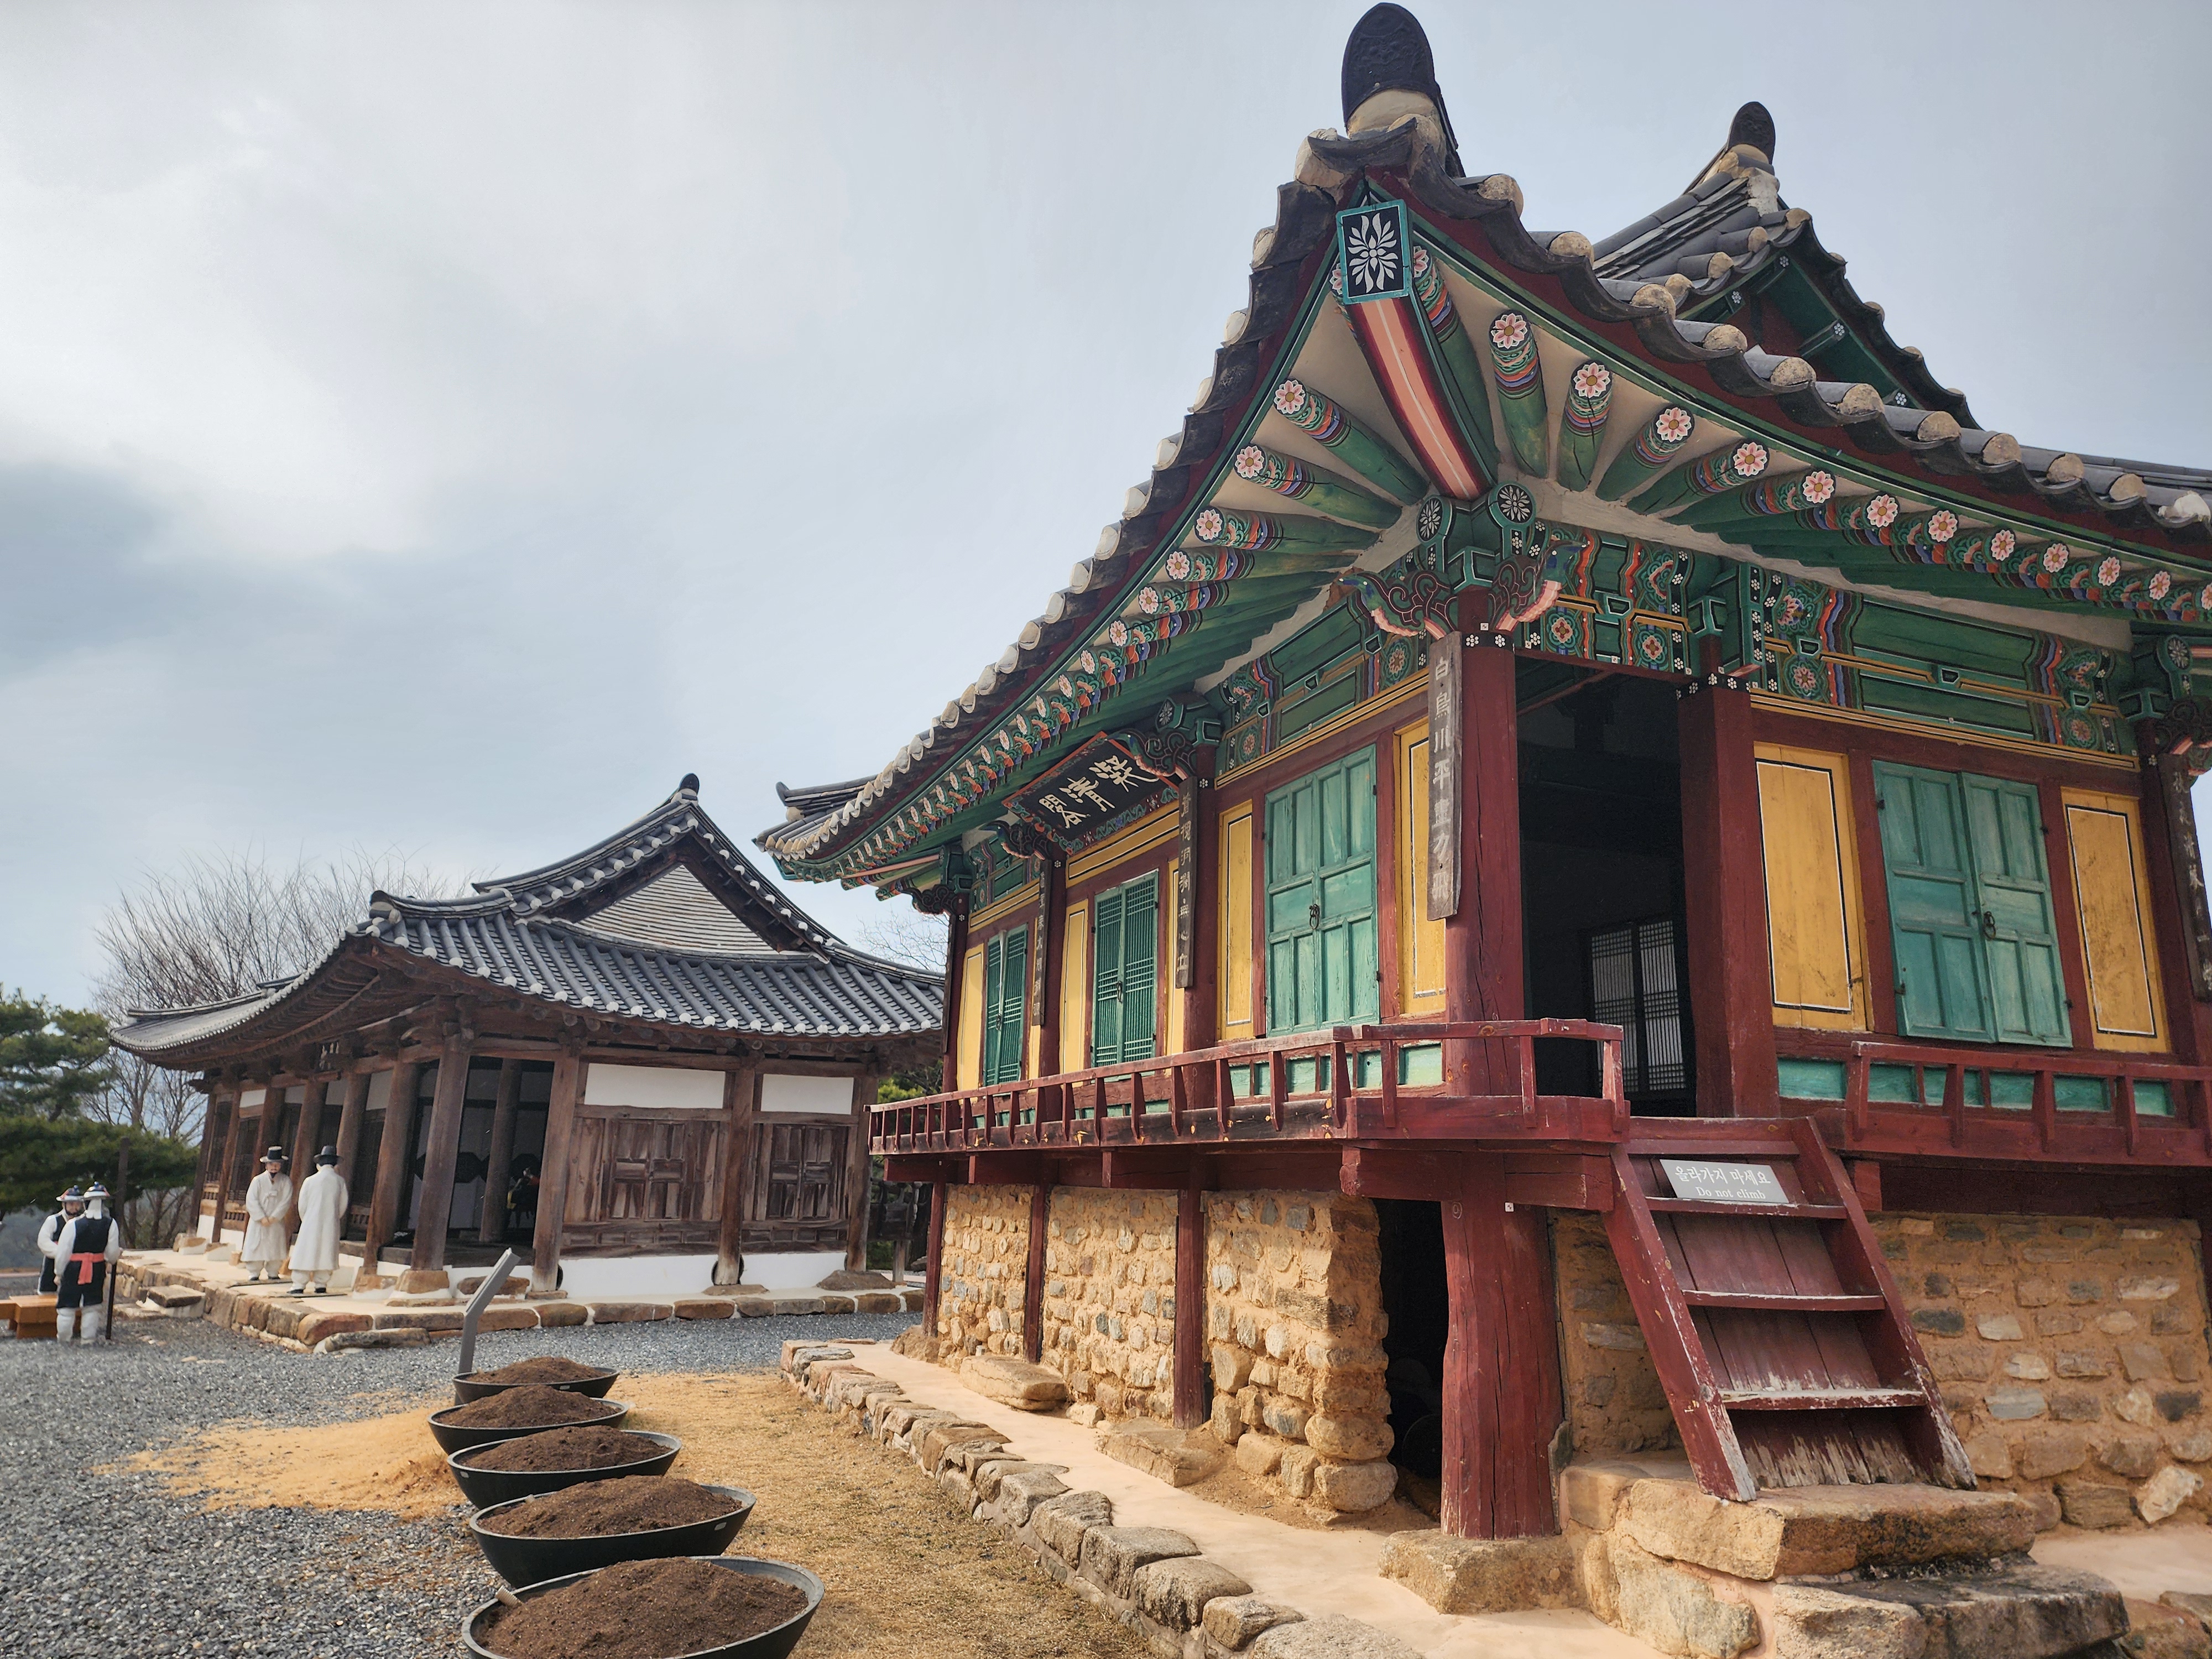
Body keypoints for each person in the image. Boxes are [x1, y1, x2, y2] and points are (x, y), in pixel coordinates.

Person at [52, 1192, 121, 1343]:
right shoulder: (111, 1224)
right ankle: (88, 1340)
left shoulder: (73, 1224)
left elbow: (64, 1252)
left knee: (67, 1308)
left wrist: (59, 1272)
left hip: (73, 1269)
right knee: (92, 1306)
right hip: (97, 1269)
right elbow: (112, 1255)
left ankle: (64, 1339)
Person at [290, 1146, 347, 1296]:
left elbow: (302, 1205)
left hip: (310, 1222)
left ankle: (299, 1284)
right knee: (326, 1252)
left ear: (319, 1164)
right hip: (330, 1223)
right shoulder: (340, 1181)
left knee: (306, 1252)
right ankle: (321, 1284)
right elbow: (343, 1205)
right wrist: (334, 1218)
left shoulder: (310, 1181)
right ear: (335, 1164)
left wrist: (307, 1219)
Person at [240, 1147, 293, 1284]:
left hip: (276, 1221)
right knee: (256, 1245)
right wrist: (261, 1217)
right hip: (259, 1221)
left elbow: (286, 1201)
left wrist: (274, 1217)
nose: (274, 1167)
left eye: (277, 1164)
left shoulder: (286, 1181)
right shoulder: (257, 1181)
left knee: (275, 1245)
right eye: (271, 1164)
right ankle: (254, 1272)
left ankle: (273, 1271)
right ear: (266, 1165)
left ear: (280, 1165)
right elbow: (251, 1200)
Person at [35, 1185, 86, 1296]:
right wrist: (62, 1253)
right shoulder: (53, 1221)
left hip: (76, 1265)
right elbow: (43, 1241)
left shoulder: (83, 1223)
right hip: (52, 1265)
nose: (75, 1208)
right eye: (71, 1204)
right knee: (48, 1295)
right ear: (64, 1205)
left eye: (78, 1204)